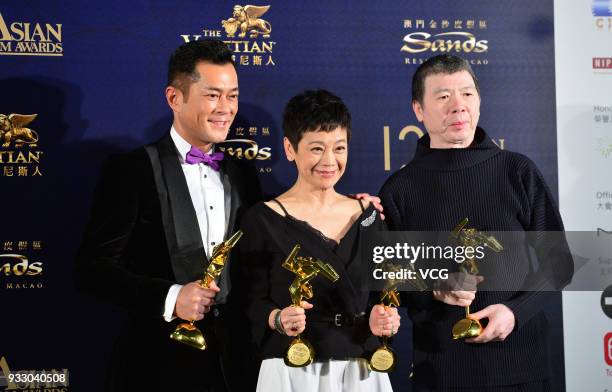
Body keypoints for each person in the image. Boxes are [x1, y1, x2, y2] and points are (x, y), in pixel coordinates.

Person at [75, 39, 262, 392]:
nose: (226, 108)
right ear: (174, 98)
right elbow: (91, 269)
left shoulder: (242, 173)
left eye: (232, 95)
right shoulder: (132, 170)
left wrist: (351, 208)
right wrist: (171, 297)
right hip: (157, 366)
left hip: (234, 366)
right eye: (213, 95)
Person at [379, 54, 573, 391]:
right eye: (442, 96)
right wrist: (434, 287)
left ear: (479, 102)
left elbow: (560, 264)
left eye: (467, 94)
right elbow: (389, 283)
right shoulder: (400, 190)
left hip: (522, 367)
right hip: (441, 372)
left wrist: (515, 312)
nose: (458, 106)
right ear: (418, 110)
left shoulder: (518, 171)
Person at [233, 90, 401, 392]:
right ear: (289, 148)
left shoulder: (370, 215)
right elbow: (248, 301)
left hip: (361, 368)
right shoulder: (261, 219)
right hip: (291, 369)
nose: (329, 161)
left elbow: (383, 293)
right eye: (316, 149)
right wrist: (278, 318)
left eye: (339, 148)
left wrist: (384, 318)